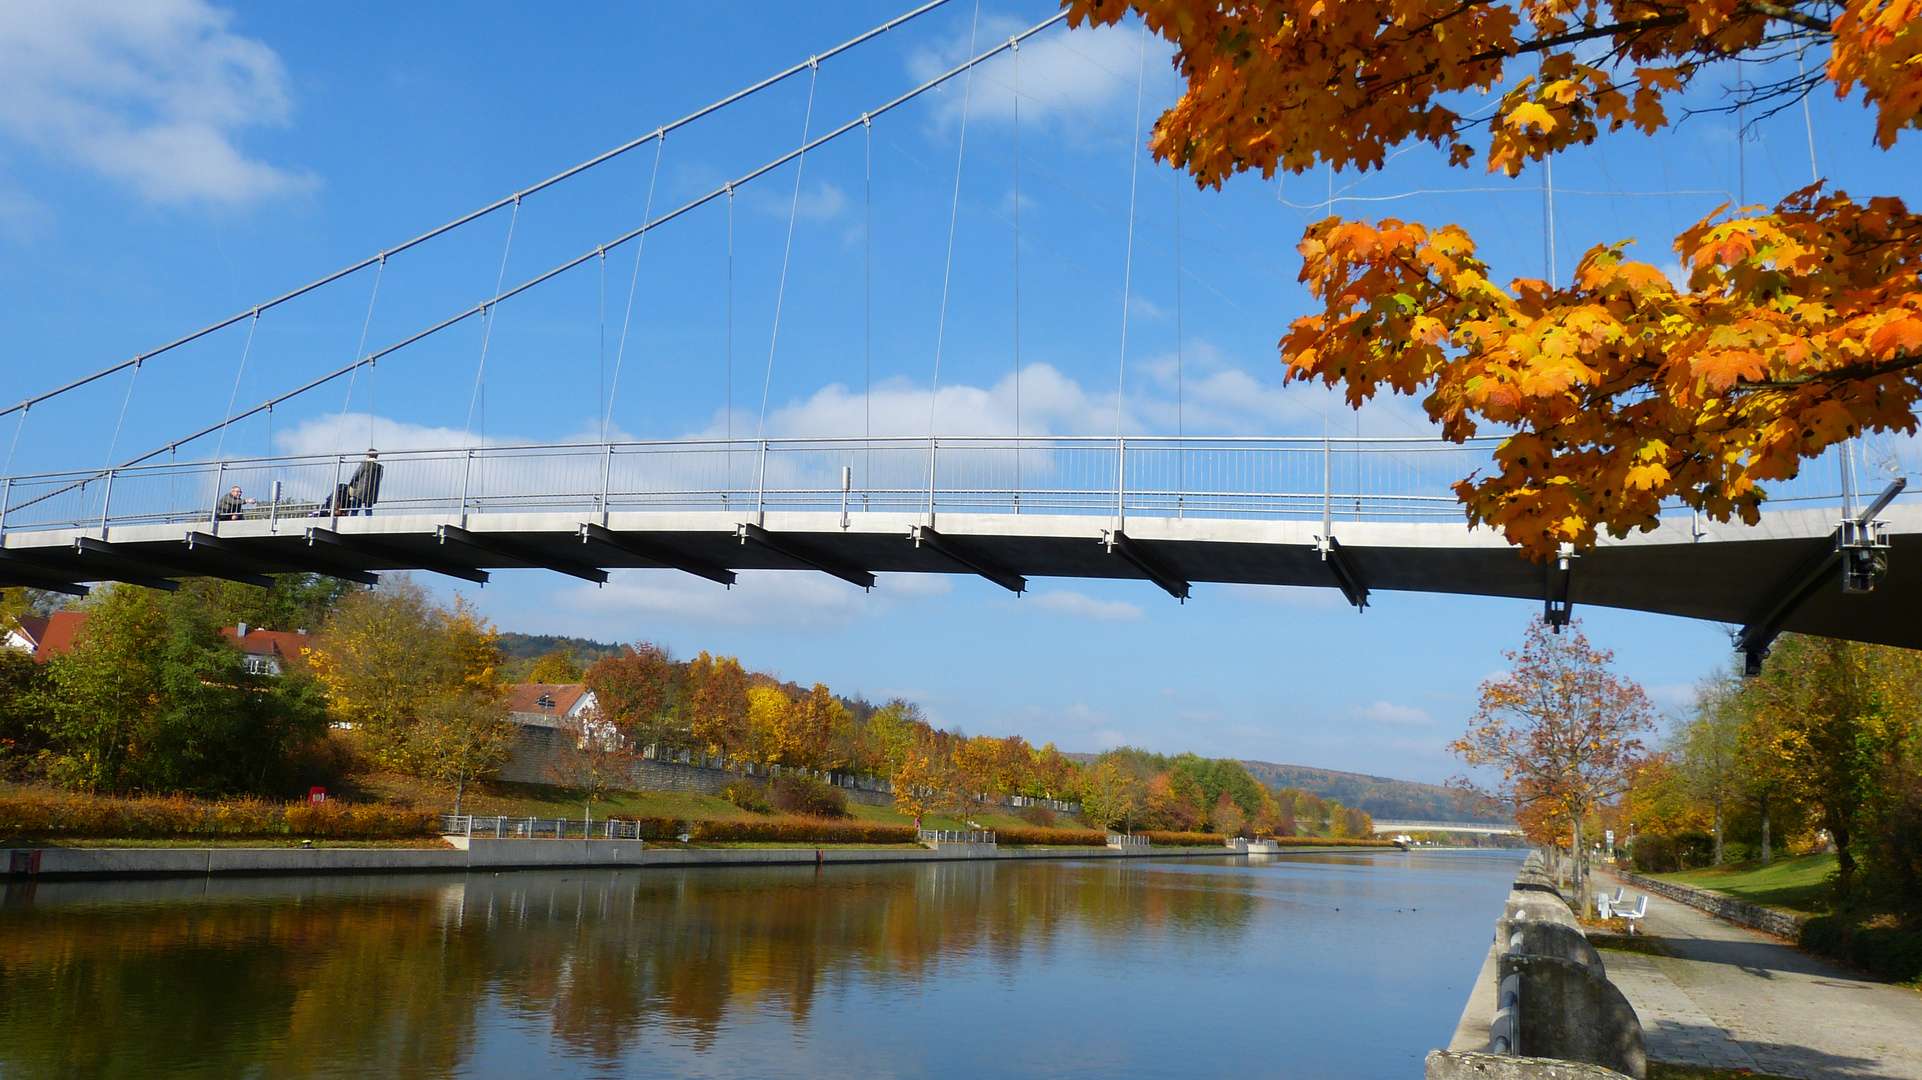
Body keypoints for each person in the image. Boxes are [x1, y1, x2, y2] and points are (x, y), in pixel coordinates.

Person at [344, 449, 383, 516]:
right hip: (372, 492)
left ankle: (352, 521)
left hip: (361, 490)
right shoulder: (380, 467)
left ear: (368, 455)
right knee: (368, 508)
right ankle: (369, 521)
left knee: (355, 508)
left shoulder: (365, 464)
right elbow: (380, 478)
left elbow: (357, 474)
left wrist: (351, 484)